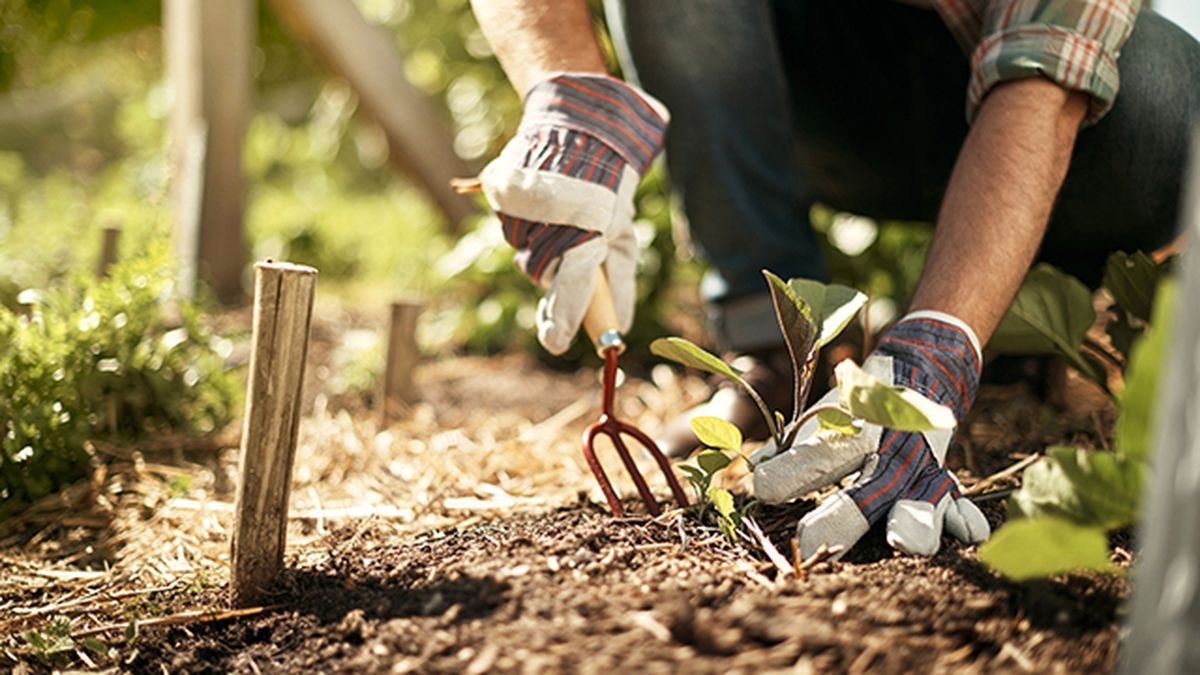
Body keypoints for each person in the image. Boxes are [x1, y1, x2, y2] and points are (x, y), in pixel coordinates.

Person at [467, 0, 1198, 559]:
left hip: (1020, 86)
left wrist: (937, 345)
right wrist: (563, 91)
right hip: (800, 90)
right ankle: (776, 345)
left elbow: (1048, 78)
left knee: (1170, 105)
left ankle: (1017, 315)